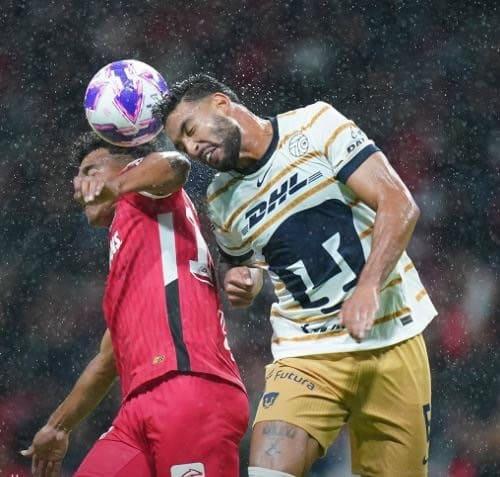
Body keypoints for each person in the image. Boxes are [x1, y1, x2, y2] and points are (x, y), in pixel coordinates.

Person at [157, 74, 437, 477]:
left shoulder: (315, 125)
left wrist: (369, 285)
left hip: (390, 338)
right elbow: (246, 264)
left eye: (189, 129)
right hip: (306, 354)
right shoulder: (221, 199)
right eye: (181, 145)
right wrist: (245, 282)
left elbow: (398, 203)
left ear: (220, 103)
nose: (191, 148)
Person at [22, 132, 248, 477]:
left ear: (129, 165)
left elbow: (175, 165)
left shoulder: (148, 195)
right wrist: (58, 426)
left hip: (188, 386)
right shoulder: (132, 248)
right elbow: (108, 358)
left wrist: (117, 186)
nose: (78, 185)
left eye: (90, 170)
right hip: (138, 409)